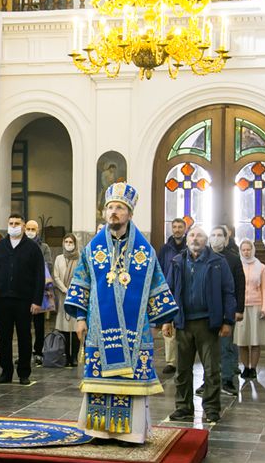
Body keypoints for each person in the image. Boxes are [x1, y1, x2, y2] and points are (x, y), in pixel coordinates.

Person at [64, 183, 177, 443]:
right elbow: (81, 283)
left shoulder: (145, 251)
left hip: (135, 330)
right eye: (110, 207)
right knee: (100, 381)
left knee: (132, 382)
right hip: (97, 327)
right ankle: (98, 431)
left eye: (119, 208)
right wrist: (80, 318)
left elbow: (156, 285)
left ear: (130, 214)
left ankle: (131, 434)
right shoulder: (92, 249)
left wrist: (161, 320)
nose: (114, 212)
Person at [166, 225, 236, 425]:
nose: (195, 239)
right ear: (187, 240)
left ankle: (211, 408)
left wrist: (227, 321)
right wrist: (166, 320)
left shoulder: (218, 262)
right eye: (192, 235)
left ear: (206, 241)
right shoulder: (177, 261)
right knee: (182, 369)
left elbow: (228, 292)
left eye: (199, 236)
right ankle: (183, 407)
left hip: (208, 323)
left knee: (212, 369)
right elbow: (169, 291)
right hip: (183, 322)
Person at [0, 213, 45, 385]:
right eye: (11, 223)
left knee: (24, 336)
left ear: (23, 226)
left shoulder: (32, 248)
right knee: (4, 337)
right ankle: (6, 371)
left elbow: (39, 276)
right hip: (2, 299)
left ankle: (24, 372)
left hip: (24, 299)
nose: (13, 226)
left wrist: (37, 301)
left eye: (17, 223)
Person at [208, 226, 244, 396]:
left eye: (219, 235)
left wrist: (239, 309)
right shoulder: (203, 256)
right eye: (213, 235)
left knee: (226, 346)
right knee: (208, 349)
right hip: (207, 310)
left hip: (226, 310)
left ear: (226, 238)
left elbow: (240, 285)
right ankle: (208, 381)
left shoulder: (233, 259)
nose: (216, 238)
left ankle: (227, 379)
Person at [157, 218, 189, 376]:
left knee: (185, 328)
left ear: (185, 229)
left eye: (180, 227)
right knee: (168, 326)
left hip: (186, 291)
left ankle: (185, 359)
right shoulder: (165, 249)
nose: (177, 229)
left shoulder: (189, 246)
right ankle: (171, 362)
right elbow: (159, 269)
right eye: (174, 227)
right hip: (168, 291)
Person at [236, 240, 265, 381]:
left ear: (253, 250)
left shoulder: (261, 267)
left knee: (255, 340)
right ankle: (245, 367)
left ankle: (254, 368)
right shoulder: (237, 265)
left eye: (248, 249)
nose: (246, 252)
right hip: (241, 307)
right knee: (242, 340)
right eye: (243, 250)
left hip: (257, 306)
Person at [24, 219, 53, 364]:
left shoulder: (44, 247)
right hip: (23, 290)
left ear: (38, 231)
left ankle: (38, 351)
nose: (30, 231)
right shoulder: (20, 245)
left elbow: (48, 264)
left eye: (33, 229)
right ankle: (25, 352)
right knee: (23, 325)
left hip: (39, 289)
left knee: (39, 324)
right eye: (28, 229)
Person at [52, 233, 81, 368]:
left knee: (75, 327)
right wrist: (64, 289)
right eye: (66, 242)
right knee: (63, 327)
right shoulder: (59, 258)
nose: (68, 244)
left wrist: (73, 289)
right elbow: (56, 276)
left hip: (76, 296)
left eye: (71, 242)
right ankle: (65, 356)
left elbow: (81, 276)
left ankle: (74, 356)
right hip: (62, 295)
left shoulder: (80, 258)